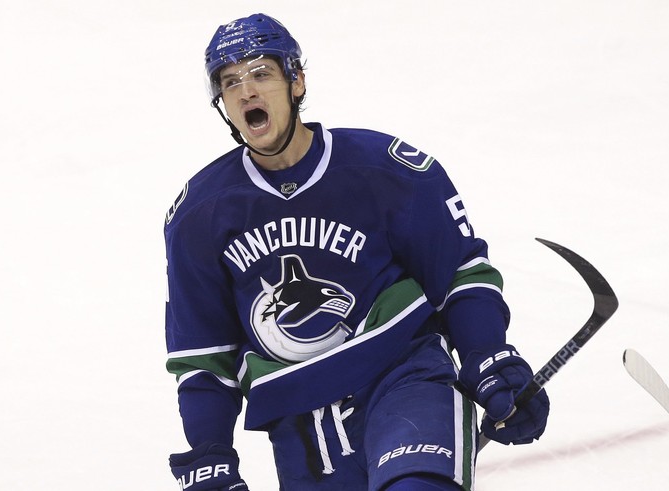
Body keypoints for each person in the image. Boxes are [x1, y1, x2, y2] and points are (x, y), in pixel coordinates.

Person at [164, 13, 550, 491]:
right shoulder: (199, 214)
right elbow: (204, 355)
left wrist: (488, 355)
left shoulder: (386, 170)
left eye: (261, 73)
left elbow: (460, 276)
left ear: (296, 81)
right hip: (300, 423)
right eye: (230, 82)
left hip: (404, 380)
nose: (247, 92)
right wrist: (209, 455)